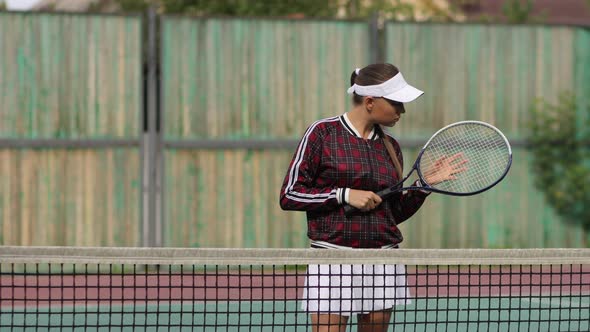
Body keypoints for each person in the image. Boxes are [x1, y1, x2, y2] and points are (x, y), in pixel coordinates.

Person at [279, 63, 466, 332]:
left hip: (383, 260)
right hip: (333, 261)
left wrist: (423, 186)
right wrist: (343, 195)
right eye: (396, 103)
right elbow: (289, 195)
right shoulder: (322, 133)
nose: (402, 110)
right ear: (369, 102)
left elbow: (394, 214)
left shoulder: (391, 147)